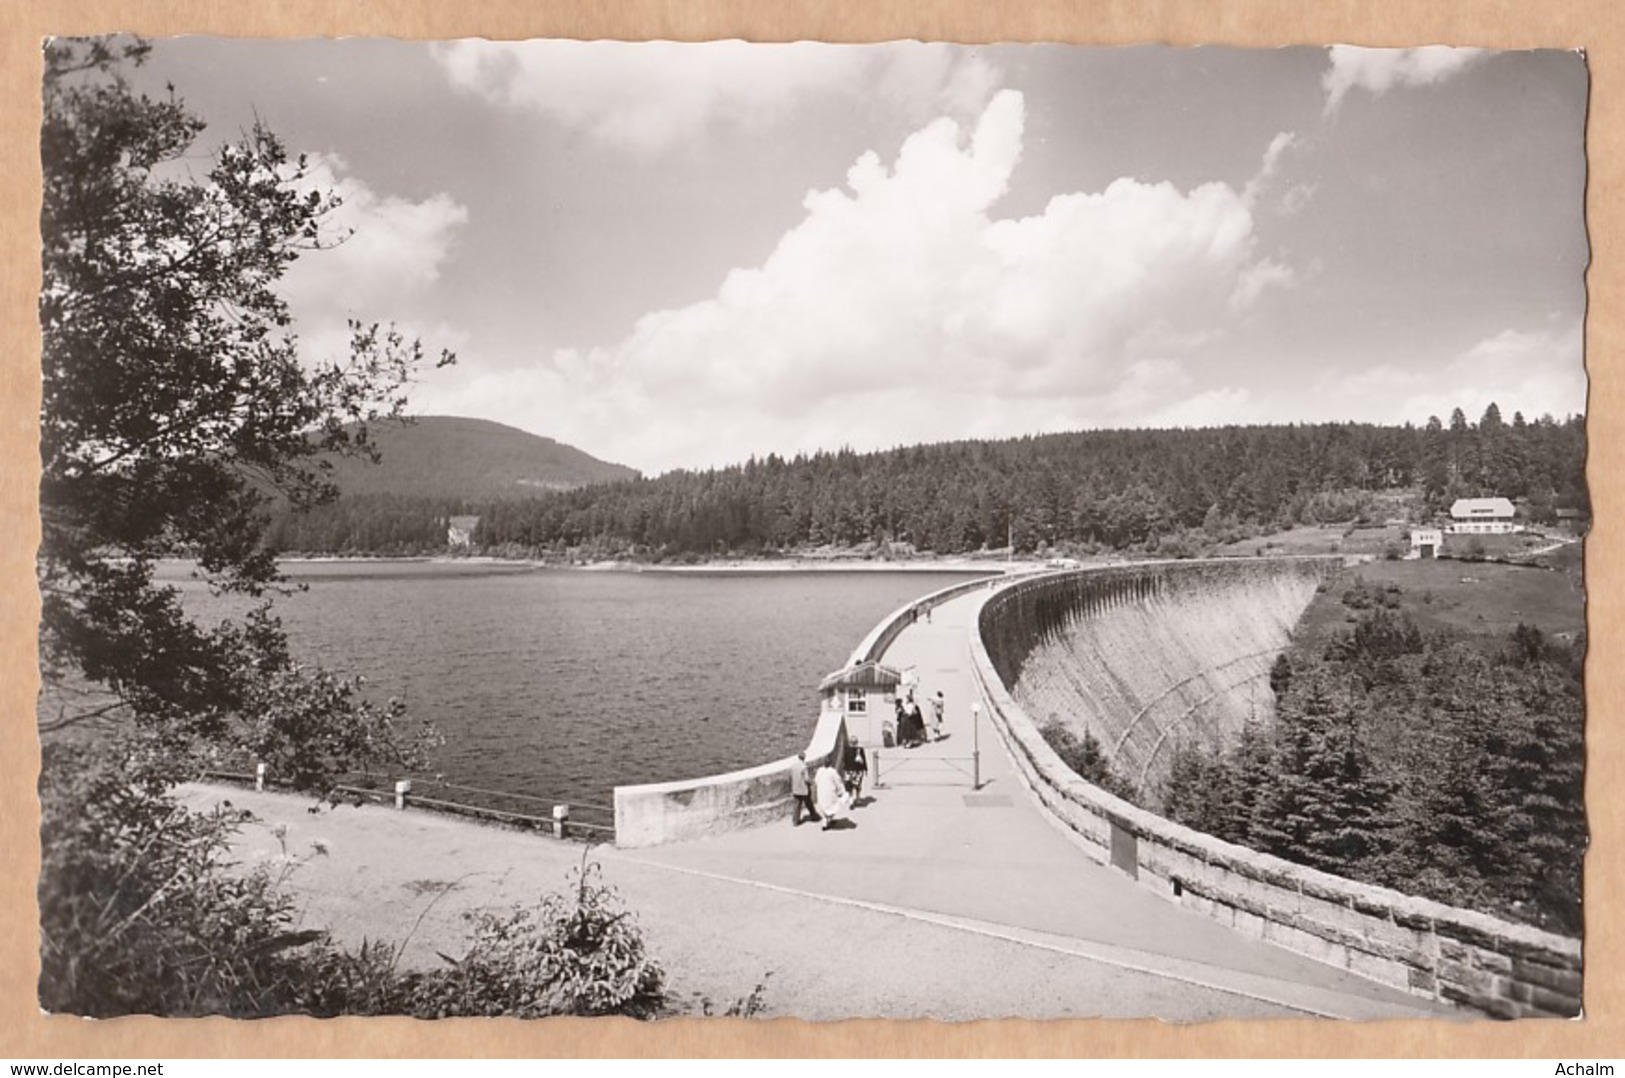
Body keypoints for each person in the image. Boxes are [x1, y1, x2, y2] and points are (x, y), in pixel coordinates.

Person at [814, 763, 852, 828]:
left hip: (821, 792)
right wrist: (841, 791)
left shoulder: (820, 771)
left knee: (824, 807)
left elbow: (816, 780)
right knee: (834, 805)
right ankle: (827, 820)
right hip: (830, 792)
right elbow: (838, 781)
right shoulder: (832, 771)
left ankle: (826, 821)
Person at [790, 752, 820, 826]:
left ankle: (795, 821)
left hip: (795, 788)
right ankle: (814, 816)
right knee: (809, 803)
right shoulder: (804, 767)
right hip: (803, 789)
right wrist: (812, 782)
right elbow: (806, 779)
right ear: (804, 758)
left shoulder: (793, 766)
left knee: (797, 805)